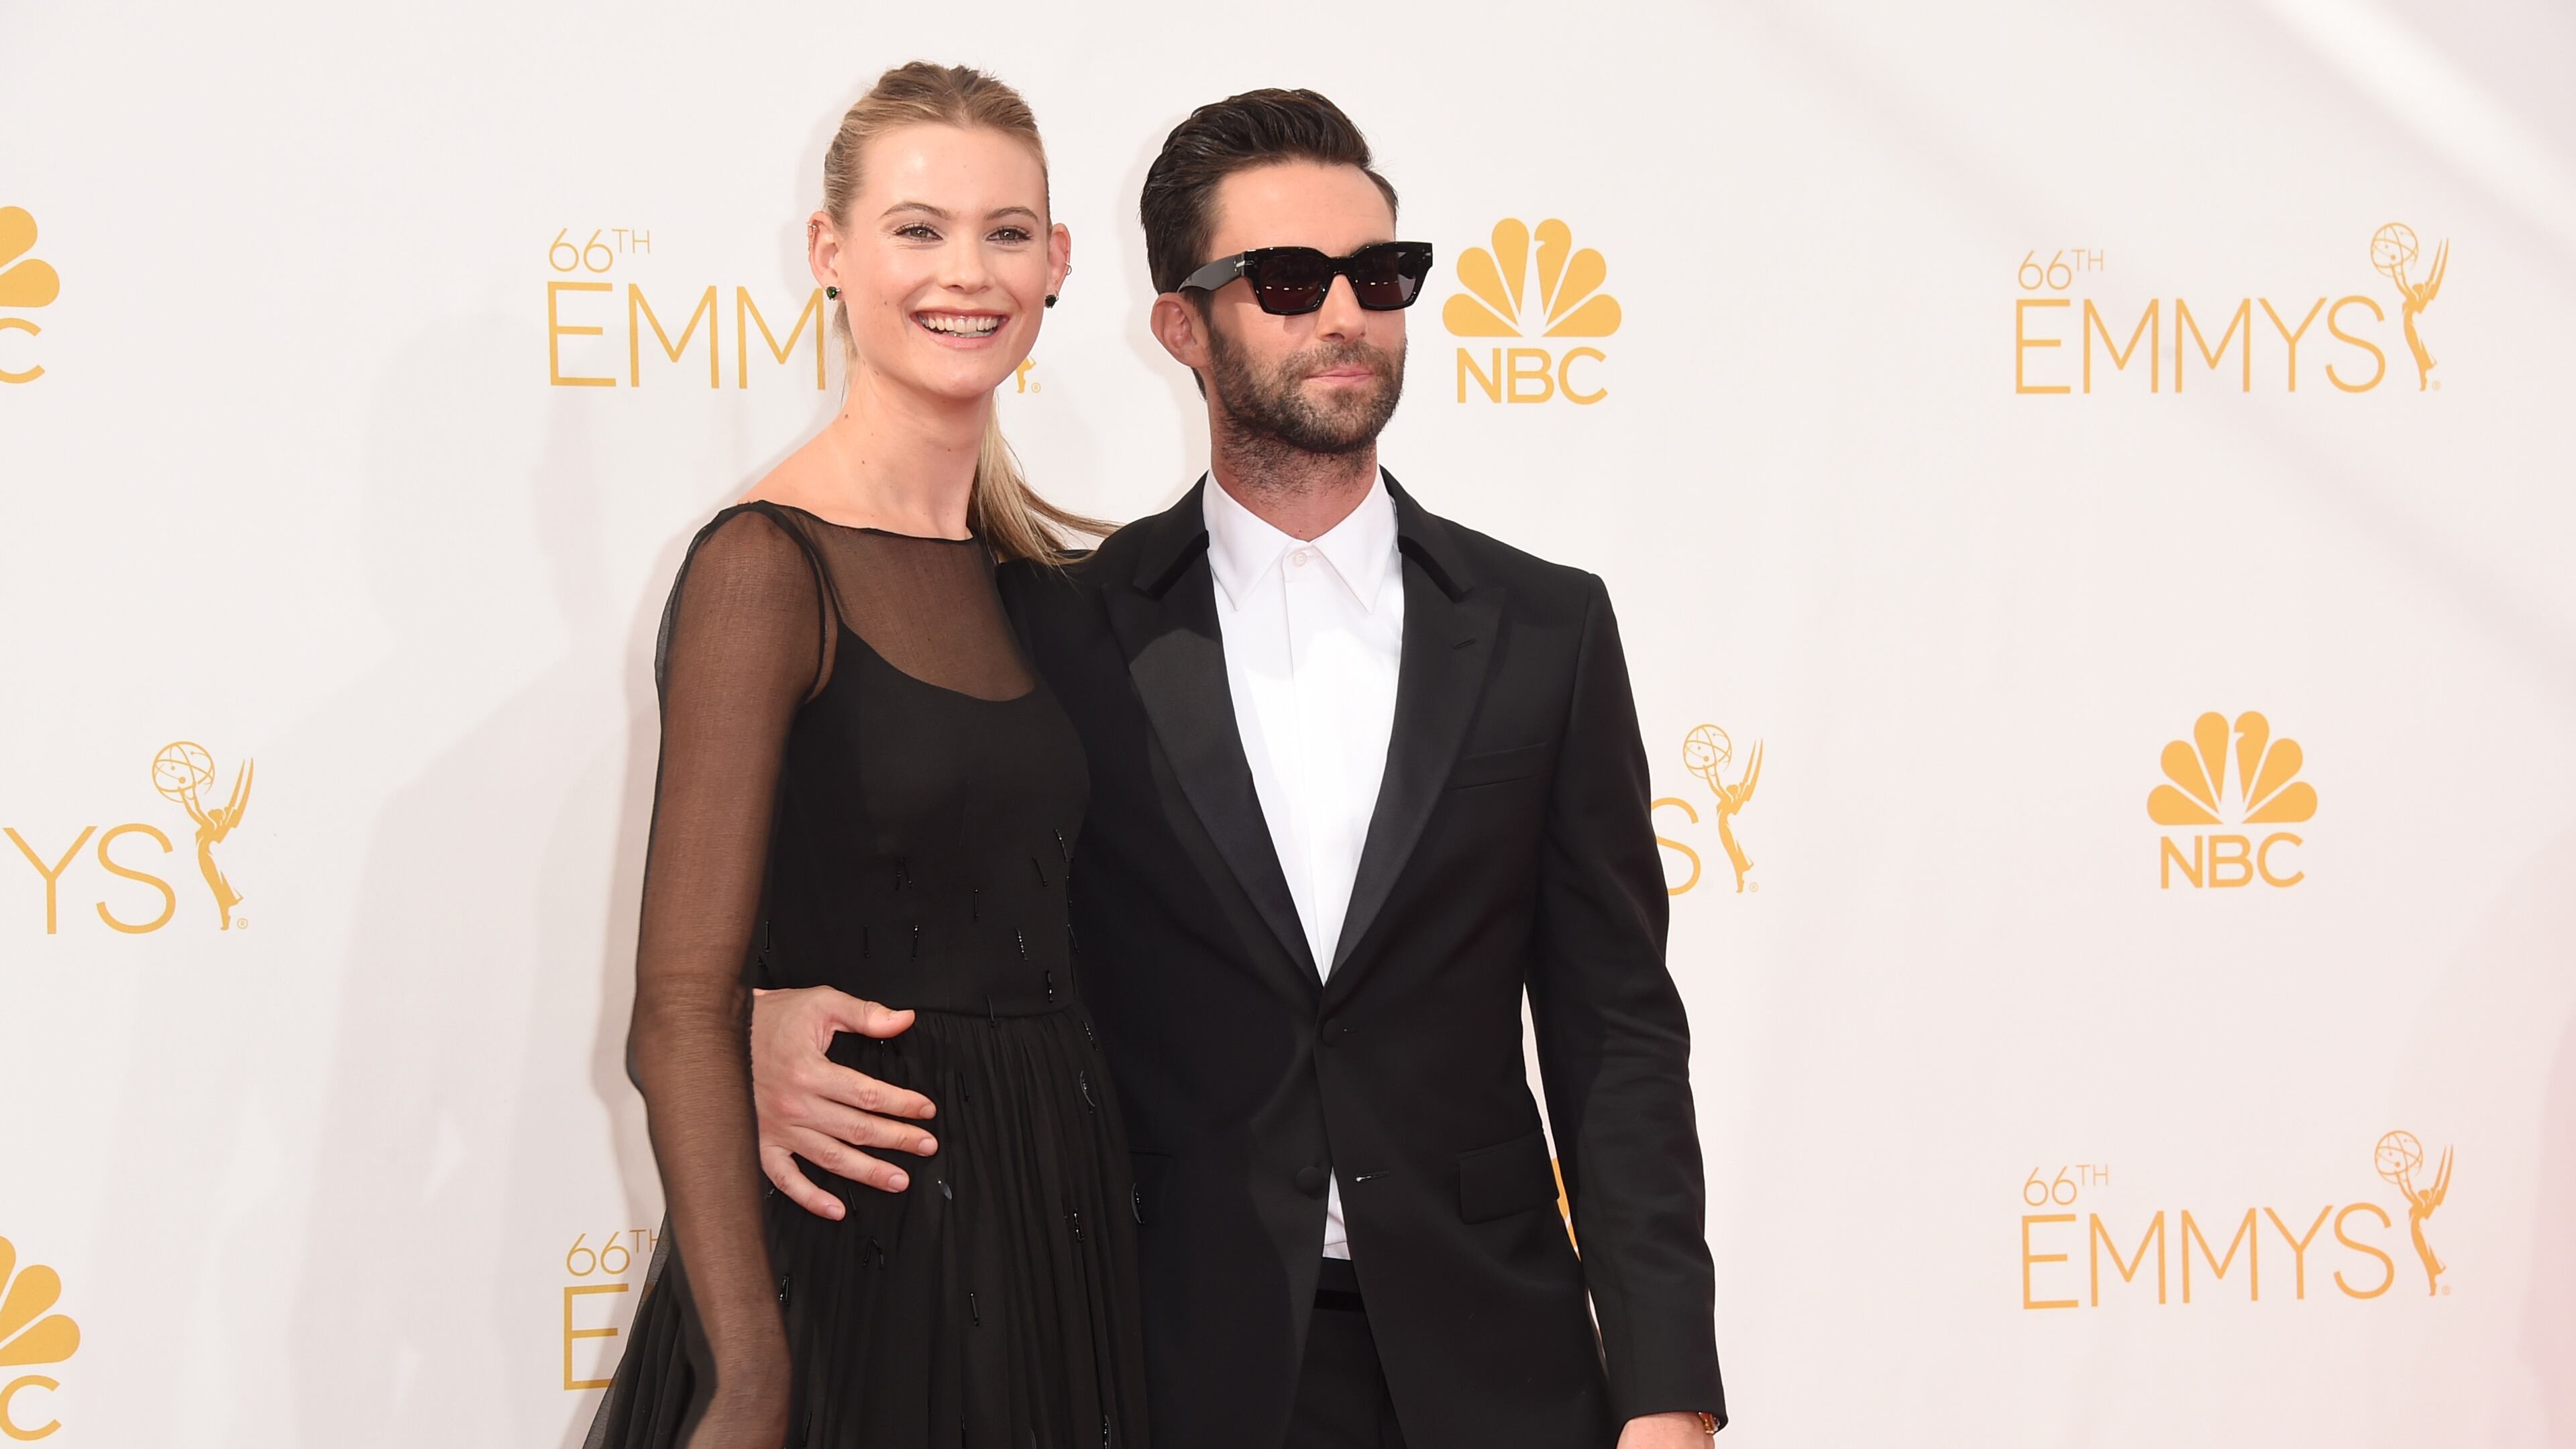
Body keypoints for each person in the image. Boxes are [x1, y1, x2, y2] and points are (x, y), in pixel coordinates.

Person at [751, 89, 1726, 1449]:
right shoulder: (1059, 630)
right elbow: (936, 907)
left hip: (1497, 1363)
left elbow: (1615, 1028)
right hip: (1162, 1353)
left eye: (1379, 276)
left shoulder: (1544, 629)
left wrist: (1671, 1386)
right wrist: (760, 1013)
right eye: (1285, 281)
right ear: (1180, 327)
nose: (1344, 315)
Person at [587, 63, 1148, 1449]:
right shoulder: (765, 571)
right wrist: (751, 1382)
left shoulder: (1049, 593)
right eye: (918, 228)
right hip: (853, 1250)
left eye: (1007, 232)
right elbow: (674, 1007)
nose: (967, 272)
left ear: (1059, 262)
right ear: (831, 254)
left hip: (1055, 1248)